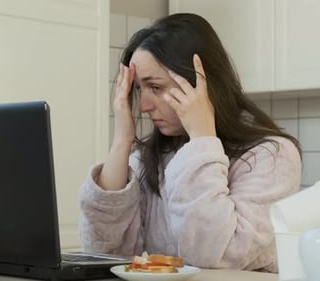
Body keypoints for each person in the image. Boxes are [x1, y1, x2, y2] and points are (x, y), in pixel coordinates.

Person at [79, 13, 302, 272]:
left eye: (156, 88)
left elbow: (219, 257)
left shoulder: (272, 156)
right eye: (139, 89)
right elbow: (104, 255)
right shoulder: (148, 159)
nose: (144, 106)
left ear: (200, 83)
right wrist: (121, 140)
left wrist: (202, 138)